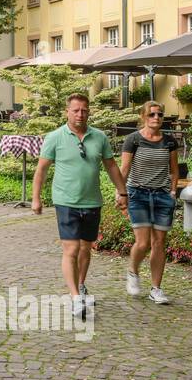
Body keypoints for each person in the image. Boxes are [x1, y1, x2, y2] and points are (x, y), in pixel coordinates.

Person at [32, 94, 129, 319]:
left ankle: (81, 285)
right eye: (75, 110)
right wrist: (36, 198)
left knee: (86, 248)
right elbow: (42, 170)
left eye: (84, 110)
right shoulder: (55, 137)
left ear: (89, 111)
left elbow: (112, 166)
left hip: (92, 200)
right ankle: (75, 297)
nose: (80, 114)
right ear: (67, 111)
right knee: (72, 249)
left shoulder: (99, 137)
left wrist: (122, 191)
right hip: (66, 201)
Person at [118, 102, 179, 305]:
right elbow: (124, 169)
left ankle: (156, 289)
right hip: (138, 194)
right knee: (143, 243)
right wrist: (121, 193)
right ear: (144, 116)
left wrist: (172, 192)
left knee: (159, 243)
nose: (156, 117)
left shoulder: (169, 142)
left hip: (162, 196)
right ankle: (133, 271)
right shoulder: (133, 140)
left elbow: (174, 170)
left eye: (160, 114)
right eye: (152, 114)